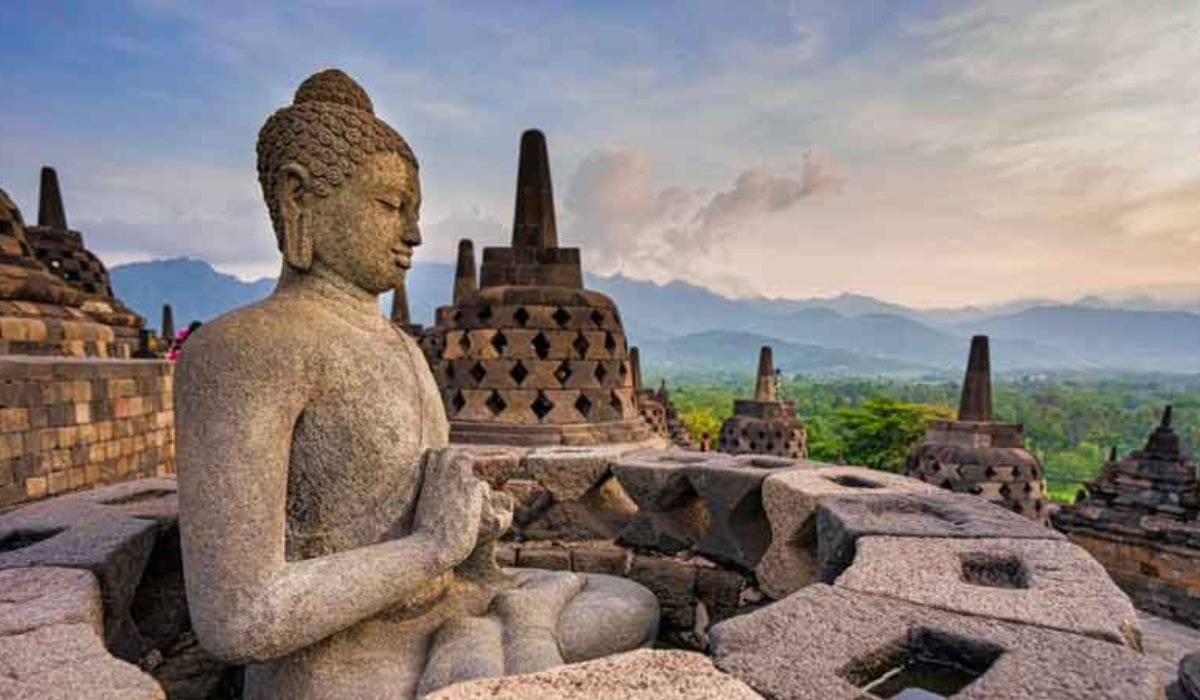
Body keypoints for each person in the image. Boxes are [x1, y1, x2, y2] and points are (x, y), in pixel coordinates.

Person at [174, 69, 657, 700]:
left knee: (630, 602)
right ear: (300, 200)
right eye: (389, 206)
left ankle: (496, 633)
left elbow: (415, 513)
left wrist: (471, 539)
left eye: (415, 212)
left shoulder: (402, 347)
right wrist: (432, 548)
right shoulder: (243, 351)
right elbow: (237, 617)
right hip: (337, 662)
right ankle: (502, 640)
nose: (413, 234)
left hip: (439, 606)